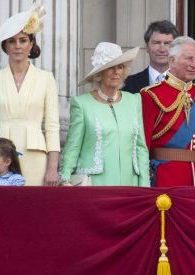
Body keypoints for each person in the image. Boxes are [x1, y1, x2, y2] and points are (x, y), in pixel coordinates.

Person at [0, 4, 60, 186]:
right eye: (12, 41)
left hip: (36, 156)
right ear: (5, 46)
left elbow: (52, 126)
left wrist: (52, 168)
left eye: (23, 40)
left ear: (31, 44)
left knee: (33, 208)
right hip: (0, 157)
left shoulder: (46, 78)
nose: (17, 46)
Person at [60, 42, 150, 187]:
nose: (116, 72)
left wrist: (145, 185)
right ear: (99, 74)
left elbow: (141, 148)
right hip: (95, 184)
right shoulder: (82, 104)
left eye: (120, 67)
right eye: (110, 68)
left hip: (130, 183)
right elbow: (72, 146)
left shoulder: (134, 100)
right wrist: (65, 178)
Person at [140, 36, 195, 187]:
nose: (194, 64)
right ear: (172, 61)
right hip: (164, 180)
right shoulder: (151, 95)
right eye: (189, 59)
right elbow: (142, 144)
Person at [124, 20, 179, 93]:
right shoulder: (127, 84)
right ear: (147, 47)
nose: (162, 49)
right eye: (156, 43)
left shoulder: (186, 85)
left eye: (167, 43)